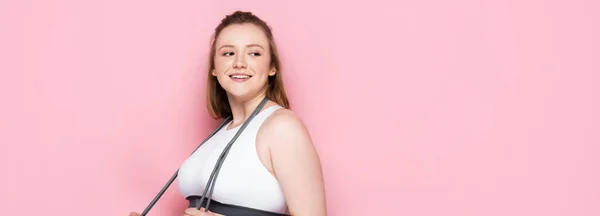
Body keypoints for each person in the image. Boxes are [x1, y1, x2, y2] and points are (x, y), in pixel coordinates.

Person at [129, 11, 327, 216]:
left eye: (254, 53)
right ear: (214, 68)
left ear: (272, 67)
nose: (239, 63)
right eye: (228, 53)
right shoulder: (220, 132)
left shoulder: (282, 126)